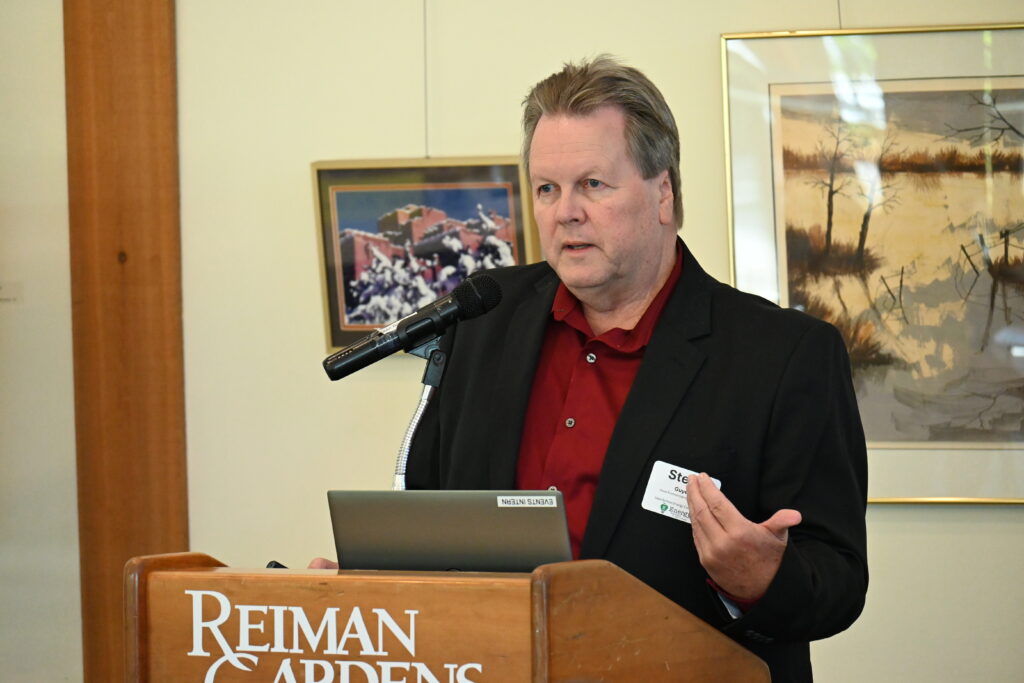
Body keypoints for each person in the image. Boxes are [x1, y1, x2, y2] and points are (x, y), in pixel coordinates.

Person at [322, 56, 869, 682]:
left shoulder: (784, 354)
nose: (565, 213)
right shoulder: (482, 319)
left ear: (663, 192)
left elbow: (839, 581)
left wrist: (760, 580)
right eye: (547, 189)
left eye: (593, 185)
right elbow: (429, 518)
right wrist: (367, 588)